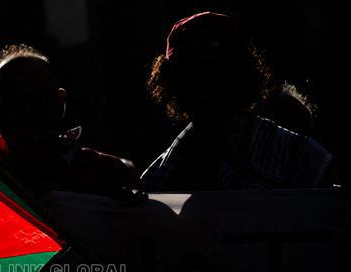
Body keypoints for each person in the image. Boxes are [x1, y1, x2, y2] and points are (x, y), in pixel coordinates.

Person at [141, 12, 334, 191]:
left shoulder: (301, 158)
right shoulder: (157, 179)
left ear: (237, 71)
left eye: (211, 66)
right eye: (187, 69)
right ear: (171, 80)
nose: (201, 81)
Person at [0, 44, 139, 198]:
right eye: (14, 103)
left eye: (40, 100)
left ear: (60, 102)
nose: (29, 112)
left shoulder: (107, 173)